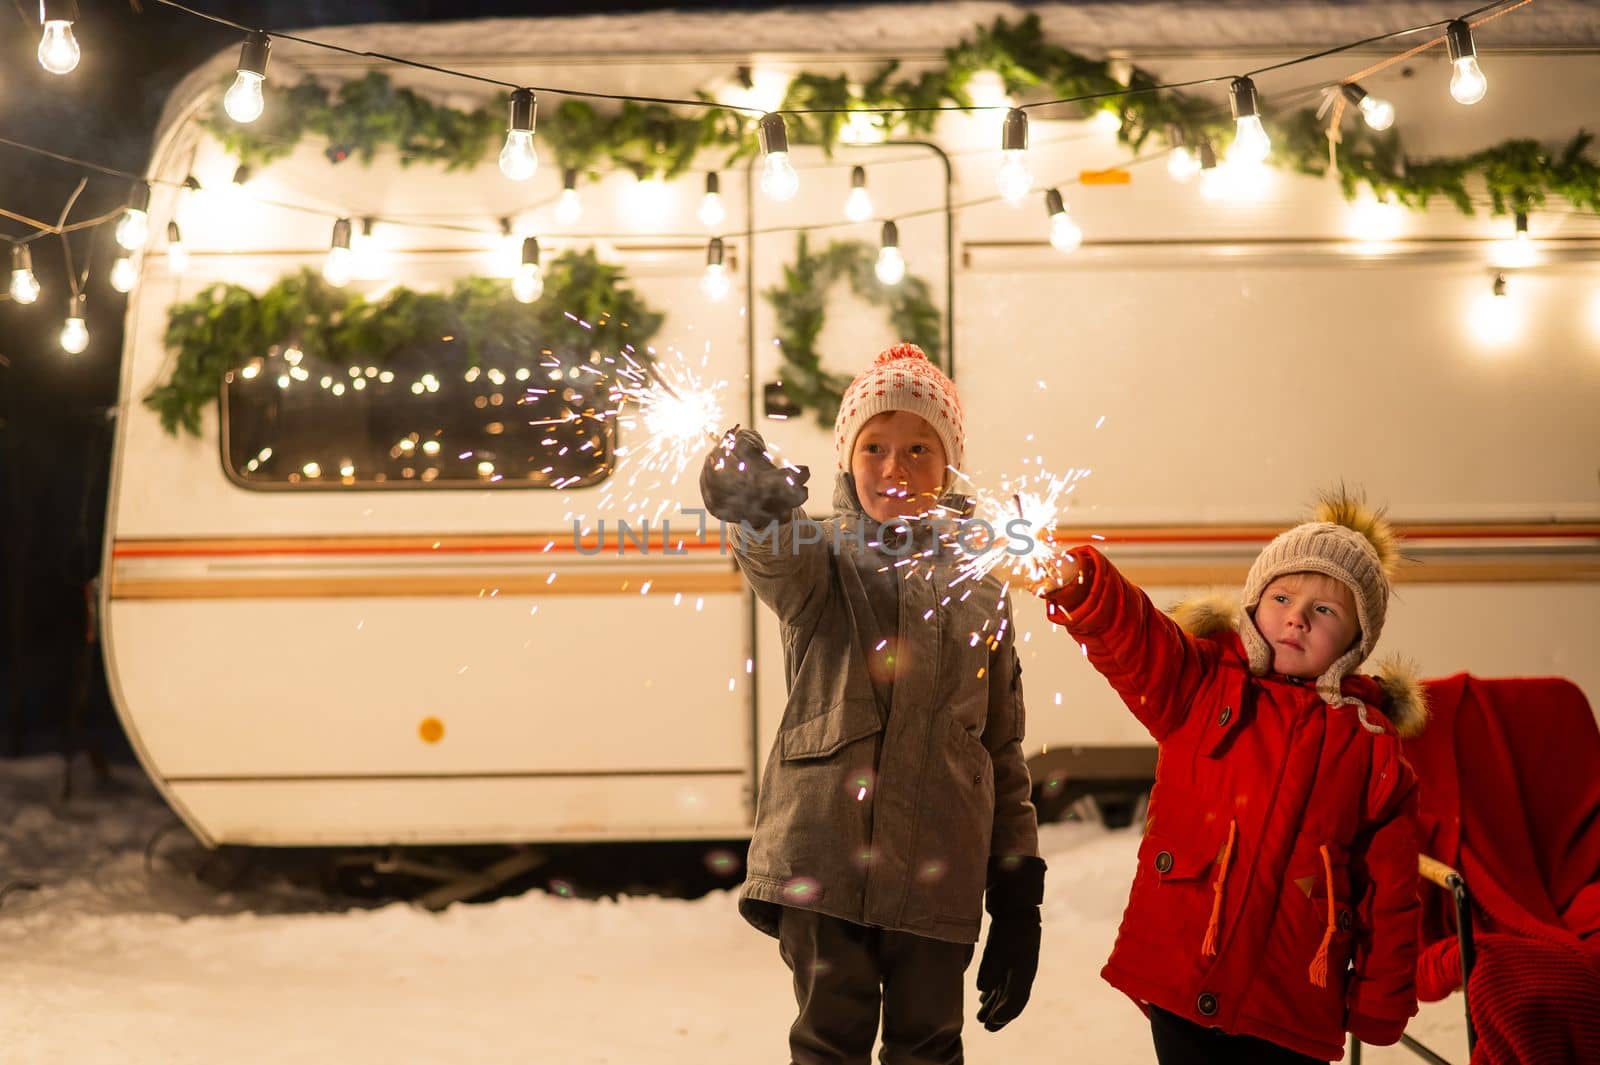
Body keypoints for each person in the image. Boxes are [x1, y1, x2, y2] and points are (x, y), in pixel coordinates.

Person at [699, 342, 1043, 1064]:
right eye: (875, 446)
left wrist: (1017, 894)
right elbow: (773, 552)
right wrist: (755, 505)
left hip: (939, 863)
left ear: (950, 464)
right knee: (829, 1044)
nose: (895, 469)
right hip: (824, 856)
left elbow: (1001, 745)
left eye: (920, 447)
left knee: (928, 1046)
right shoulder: (820, 555)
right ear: (846, 457)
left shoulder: (980, 582)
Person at [1029, 491, 1427, 1064]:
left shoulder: (1371, 749)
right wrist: (1085, 587)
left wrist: (1380, 999)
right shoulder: (1198, 682)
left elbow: (1392, 894)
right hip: (1182, 976)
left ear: (1356, 642)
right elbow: (1136, 639)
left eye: (1325, 611)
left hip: (1289, 1002)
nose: (1296, 617)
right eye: (1283, 596)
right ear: (1253, 602)